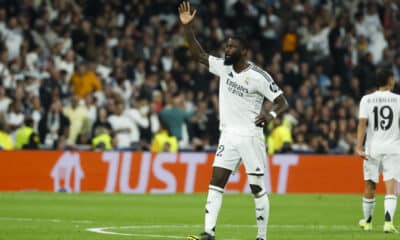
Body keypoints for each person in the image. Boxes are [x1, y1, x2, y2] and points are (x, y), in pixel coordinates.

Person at [178, 2, 288, 240]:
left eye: (232, 47)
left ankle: (261, 236)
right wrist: (187, 28)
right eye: (227, 46)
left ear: (244, 51)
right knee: (216, 181)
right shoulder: (223, 67)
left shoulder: (258, 76)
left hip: (250, 136)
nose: (227, 50)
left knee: (257, 188)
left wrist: (270, 115)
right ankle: (208, 232)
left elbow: (282, 101)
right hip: (228, 135)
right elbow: (198, 54)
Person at [356, 68, 400, 233]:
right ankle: (388, 222)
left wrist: (358, 146)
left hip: (372, 148)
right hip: (393, 147)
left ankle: (367, 222)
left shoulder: (366, 100)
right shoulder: (398, 100)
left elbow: (362, 124)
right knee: (391, 186)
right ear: (389, 80)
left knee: (370, 185)